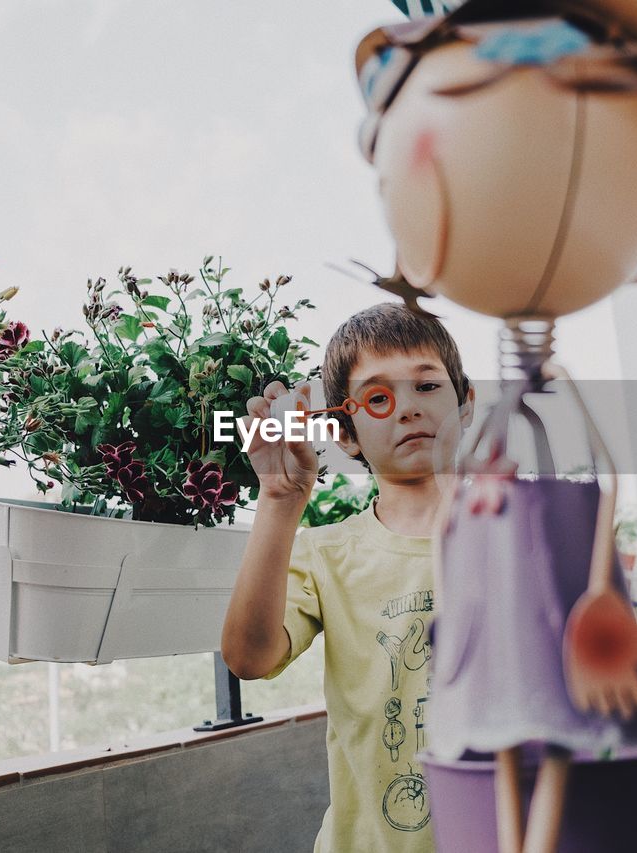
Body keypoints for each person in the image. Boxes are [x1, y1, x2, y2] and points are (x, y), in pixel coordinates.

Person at [221, 302, 475, 853]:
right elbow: (248, 657)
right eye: (378, 398)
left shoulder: (518, 533)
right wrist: (278, 501)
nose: (407, 408)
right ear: (345, 434)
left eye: (427, 387)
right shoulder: (325, 554)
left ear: (466, 403)